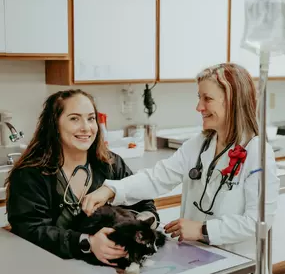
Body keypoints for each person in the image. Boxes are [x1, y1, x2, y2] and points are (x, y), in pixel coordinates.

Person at [80, 63, 280, 259]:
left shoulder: (257, 153)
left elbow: (258, 221)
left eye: (207, 99)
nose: (199, 107)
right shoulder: (200, 144)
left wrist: (202, 230)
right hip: (196, 255)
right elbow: (157, 177)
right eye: (199, 97)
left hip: (236, 261)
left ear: (233, 101)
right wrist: (113, 189)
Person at [5, 89, 159, 268]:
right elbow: (30, 230)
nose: (86, 127)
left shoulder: (111, 163)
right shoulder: (30, 175)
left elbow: (144, 202)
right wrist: (87, 243)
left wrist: (142, 227)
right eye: (74, 118)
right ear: (54, 124)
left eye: (91, 118)